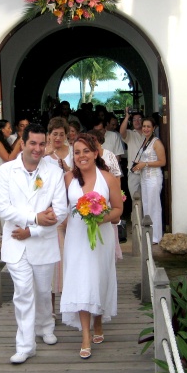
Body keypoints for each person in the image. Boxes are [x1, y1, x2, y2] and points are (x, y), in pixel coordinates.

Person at [0, 123, 68, 364]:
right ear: (22, 143)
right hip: (15, 243)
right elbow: (2, 208)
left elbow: (60, 211)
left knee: (43, 290)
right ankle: (25, 345)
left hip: (42, 242)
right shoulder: (6, 171)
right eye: (32, 143)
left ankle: (45, 326)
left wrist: (33, 231)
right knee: (23, 293)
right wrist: (34, 218)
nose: (37, 149)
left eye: (41, 144)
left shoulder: (54, 172)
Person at [60, 133, 123, 359]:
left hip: (101, 239)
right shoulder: (67, 179)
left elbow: (117, 210)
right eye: (77, 152)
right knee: (80, 281)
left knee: (98, 279)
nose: (81, 156)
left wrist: (100, 218)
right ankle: (85, 335)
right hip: (76, 239)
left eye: (86, 151)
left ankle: (98, 321)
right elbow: (62, 210)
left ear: (96, 153)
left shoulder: (107, 178)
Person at [43, 117, 73, 315]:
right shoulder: (43, 155)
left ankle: (71, 307)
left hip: (70, 206)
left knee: (71, 257)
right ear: (49, 135)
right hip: (51, 209)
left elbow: (79, 176)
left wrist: (67, 169)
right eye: (55, 134)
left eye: (62, 134)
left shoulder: (72, 152)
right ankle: (51, 310)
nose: (58, 137)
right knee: (54, 261)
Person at [87, 129, 124, 260]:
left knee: (109, 224)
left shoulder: (109, 155)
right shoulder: (88, 156)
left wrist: (117, 195)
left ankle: (110, 252)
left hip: (108, 195)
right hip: (92, 197)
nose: (92, 143)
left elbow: (117, 176)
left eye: (94, 140)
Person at [130, 116, 166, 244]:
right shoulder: (146, 141)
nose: (145, 129)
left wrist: (144, 164)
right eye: (144, 126)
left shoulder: (156, 142)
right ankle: (148, 234)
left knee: (154, 206)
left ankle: (156, 236)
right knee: (146, 205)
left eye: (148, 126)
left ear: (154, 128)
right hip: (144, 178)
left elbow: (162, 161)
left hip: (153, 178)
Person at [119, 107, 145, 200]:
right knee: (135, 200)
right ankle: (136, 215)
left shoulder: (148, 134)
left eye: (139, 119)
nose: (137, 121)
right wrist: (127, 117)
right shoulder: (130, 134)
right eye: (134, 120)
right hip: (134, 172)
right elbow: (122, 132)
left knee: (147, 200)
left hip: (147, 171)